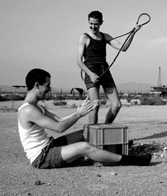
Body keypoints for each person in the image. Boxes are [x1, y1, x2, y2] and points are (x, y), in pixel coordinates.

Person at [17, 68, 151, 169]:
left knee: (86, 132)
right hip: (42, 157)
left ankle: (113, 147)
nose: (49, 89)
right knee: (84, 147)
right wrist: (79, 114)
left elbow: (59, 119)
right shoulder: (27, 110)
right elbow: (59, 127)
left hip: (50, 146)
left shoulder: (37, 106)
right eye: (47, 85)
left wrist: (80, 110)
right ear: (36, 85)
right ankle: (129, 160)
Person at [77, 10, 140, 124]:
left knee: (116, 105)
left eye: (96, 24)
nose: (93, 26)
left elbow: (123, 47)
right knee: (94, 106)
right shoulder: (84, 37)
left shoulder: (105, 37)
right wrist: (90, 74)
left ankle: (106, 128)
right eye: (91, 23)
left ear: (101, 23)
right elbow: (79, 61)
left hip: (104, 70)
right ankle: (92, 138)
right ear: (88, 22)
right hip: (90, 71)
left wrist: (133, 32)